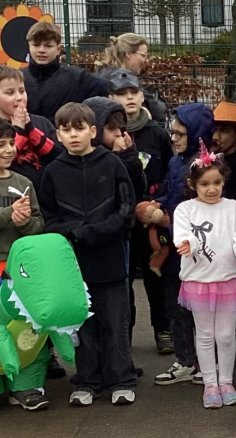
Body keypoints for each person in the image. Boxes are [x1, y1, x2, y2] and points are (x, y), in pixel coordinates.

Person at [39, 102, 137, 406]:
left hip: (109, 259)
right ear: (58, 134)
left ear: (93, 131)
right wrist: (72, 232)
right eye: (66, 130)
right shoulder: (53, 172)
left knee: (114, 321)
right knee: (81, 325)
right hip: (73, 264)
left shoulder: (112, 164)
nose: (73, 135)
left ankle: (121, 379)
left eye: (79, 128)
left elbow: (125, 211)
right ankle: (87, 381)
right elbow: (49, 217)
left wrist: (92, 231)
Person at [173, 151, 236, 408]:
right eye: (205, 184)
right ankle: (210, 384)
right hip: (198, 281)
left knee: (226, 334)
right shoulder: (185, 209)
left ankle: (227, 382)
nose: (212, 189)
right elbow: (183, 235)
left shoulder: (232, 208)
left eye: (217, 183)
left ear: (223, 182)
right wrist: (187, 244)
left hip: (228, 279)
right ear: (192, 185)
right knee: (206, 334)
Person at [107, 68, 174, 354]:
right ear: (111, 98)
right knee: (123, 282)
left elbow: (170, 172)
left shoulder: (157, 134)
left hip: (151, 221)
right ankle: (126, 338)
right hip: (120, 221)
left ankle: (163, 330)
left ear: (141, 95)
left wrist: (156, 207)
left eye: (133, 92)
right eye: (121, 94)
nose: (129, 98)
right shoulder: (106, 135)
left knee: (155, 277)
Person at [153, 103, 214, 385]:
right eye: (172, 132)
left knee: (202, 311)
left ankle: (207, 362)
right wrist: (157, 205)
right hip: (175, 250)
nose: (174, 138)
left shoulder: (206, 165)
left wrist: (169, 219)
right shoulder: (176, 161)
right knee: (174, 306)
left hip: (199, 250)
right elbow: (169, 193)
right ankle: (185, 360)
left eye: (180, 134)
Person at [0, 119, 45, 410]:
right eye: (0, 145)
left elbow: (40, 224)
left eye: (9, 143)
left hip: (19, 271)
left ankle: (26, 386)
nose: (7, 150)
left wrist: (27, 222)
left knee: (27, 329)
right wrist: (7, 214)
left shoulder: (23, 182)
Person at [23, 22, 108, 122]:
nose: (41, 50)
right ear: (29, 46)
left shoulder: (78, 78)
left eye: (48, 46)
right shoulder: (18, 79)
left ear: (58, 49)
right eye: (36, 45)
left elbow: (106, 89)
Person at [0, 66, 61, 188]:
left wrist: (30, 129)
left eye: (22, 91)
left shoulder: (41, 122)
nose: (19, 97)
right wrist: (18, 130)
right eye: (10, 92)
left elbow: (59, 157)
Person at [82, 97, 145, 203]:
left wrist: (129, 157)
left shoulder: (126, 151)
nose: (118, 133)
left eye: (120, 128)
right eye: (111, 128)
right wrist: (115, 159)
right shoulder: (85, 155)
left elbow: (137, 189)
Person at [94, 33, 166, 125]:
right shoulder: (115, 77)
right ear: (128, 53)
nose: (146, 60)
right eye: (143, 55)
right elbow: (155, 108)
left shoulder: (105, 73)